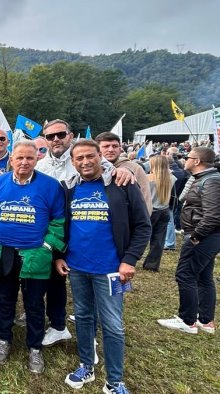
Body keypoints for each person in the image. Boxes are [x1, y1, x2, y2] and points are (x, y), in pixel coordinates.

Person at [55, 140, 150, 394]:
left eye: (90, 156)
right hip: (77, 268)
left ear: (101, 157)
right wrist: (59, 255)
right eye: (79, 158)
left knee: (113, 324)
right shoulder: (70, 189)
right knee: (84, 318)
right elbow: (63, 226)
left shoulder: (122, 185)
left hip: (112, 271)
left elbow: (143, 226)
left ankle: (115, 381)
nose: (85, 162)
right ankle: (86, 365)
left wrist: (129, 259)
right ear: (73, 163)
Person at [36, 120, 135, 348]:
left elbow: (112, 172)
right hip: (53, 233)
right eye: (50, 136)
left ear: (70, 136)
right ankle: (59, 325)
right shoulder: (41, 166)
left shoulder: (87, 158)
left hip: (96, 240)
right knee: (55, 281)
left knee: (98, 296)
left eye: (60, 134)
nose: (56, 139)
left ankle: (92, 334)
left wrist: (124, 169)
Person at [0, 140, 66, 374]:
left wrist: (48, 247)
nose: (24, 162)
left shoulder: (51, 186)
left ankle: (35, 348)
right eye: (20, 158)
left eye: (29, 158)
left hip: (36, 254)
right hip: (4, 252)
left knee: (35, 304)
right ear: (11, 160)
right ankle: (4, 340)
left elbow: (59, 222)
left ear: (38, 158)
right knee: (5, 300)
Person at [158, 147, 220, 335]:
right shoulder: (206, 179)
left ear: (197, 161)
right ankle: (205, 320)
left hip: (203, 236)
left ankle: (188, 320)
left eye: (188, 157)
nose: (185, 159)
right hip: (208, 236)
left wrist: (196, 236)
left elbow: (212, 215)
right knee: (203, 276)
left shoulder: (210, 182)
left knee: (185, 274)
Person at [96, 132, 153, 215]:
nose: (111, 150)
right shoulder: (91, 169)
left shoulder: (135, 168)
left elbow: (145, 198)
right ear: (97, 149)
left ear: (120, 149)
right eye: (106, 146)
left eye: (115, 146)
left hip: (126, 223)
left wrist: (143, 224)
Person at [142, 155, 175, 272]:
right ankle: (152, 264)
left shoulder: (146, 178)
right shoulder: (171, 178)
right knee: (159, 239)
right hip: (164, 210)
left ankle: (131, 258)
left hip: (149, 211)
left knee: (140, 236)